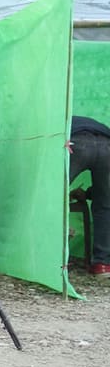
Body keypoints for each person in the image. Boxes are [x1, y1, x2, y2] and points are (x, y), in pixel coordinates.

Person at [69, 115, 110, 276]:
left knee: (52, 200)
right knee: (106, 205)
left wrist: (62, 194)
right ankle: (103, 265)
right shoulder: (94, 123)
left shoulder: (55, 121)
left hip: (76, 142)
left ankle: (53, 258)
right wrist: (86, 194)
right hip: (107, 144)